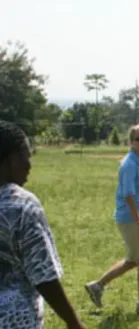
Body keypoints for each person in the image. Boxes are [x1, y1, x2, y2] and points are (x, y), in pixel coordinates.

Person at [0, 120, 85, 329]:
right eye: (26, 156)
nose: (29, 165)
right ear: (11, 160)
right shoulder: (20, 205)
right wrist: (73, 322)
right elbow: (43, 274)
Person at [85, 124, 139, 314]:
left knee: (133, 260)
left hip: (133, 216)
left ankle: (97, 286)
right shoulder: (128, 164)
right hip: (130, 217)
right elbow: (129, 194)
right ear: (131, 143)